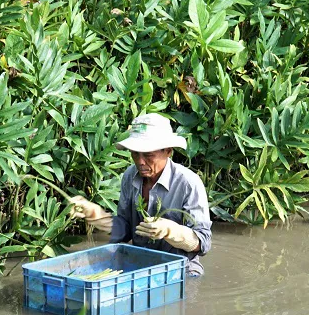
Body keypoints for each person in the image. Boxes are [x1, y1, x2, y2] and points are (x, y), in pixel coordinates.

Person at [70, 113, 212, 276]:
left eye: (148, 154)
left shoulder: (188, 183)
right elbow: (125, 231)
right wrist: (95, 215)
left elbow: (203, 243)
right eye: (135, 153)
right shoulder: (130, 176)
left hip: (180, 271)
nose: (140, 161)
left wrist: (170, 231)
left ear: (168, 151)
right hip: (139, 263)